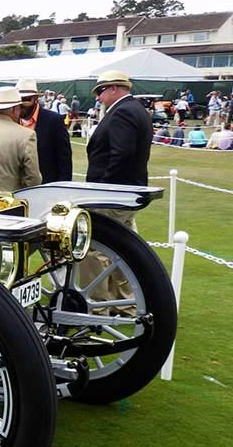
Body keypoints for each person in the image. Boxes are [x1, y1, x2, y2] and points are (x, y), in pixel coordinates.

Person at [83, 70, 153, 314]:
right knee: (123, 247)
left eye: (101, 91)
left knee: (94, 248)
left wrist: (104, 187)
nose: (99, 98)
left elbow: (121, 154)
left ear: (114, 88)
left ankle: (98, 307)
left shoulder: (123, 112)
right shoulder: (137, 110)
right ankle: (126, 302)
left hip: (114, 193)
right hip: (127, 191)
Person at [16, 79, 72, 184]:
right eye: (17, 100)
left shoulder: (54, 121)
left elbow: (64, 161)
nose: (21, 105)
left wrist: (61, 188)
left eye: (25, 100)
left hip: (47, 186)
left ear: (35, 98)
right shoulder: (12, 121)